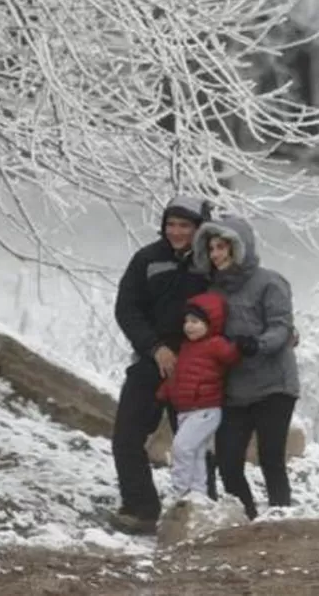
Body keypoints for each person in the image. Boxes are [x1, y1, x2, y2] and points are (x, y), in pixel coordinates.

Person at [109, 195, 213, 535]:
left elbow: (231, 306)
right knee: (126, 435)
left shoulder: (211, 261)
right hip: (151, 361)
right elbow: (127, 309)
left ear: (200, 227)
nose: (177, 232)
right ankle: (141, 508)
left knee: (194, 442)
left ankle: (199, 510)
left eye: (185, 225)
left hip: (197, 367)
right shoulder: (147, 259)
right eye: (171, 224)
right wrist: (155, 348)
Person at [193, 216, 300, 520]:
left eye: (222, 247)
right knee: (227, 461)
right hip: (235, 389)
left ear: (239, 248)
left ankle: (281, 519)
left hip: (274, 384)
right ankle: (249, 521)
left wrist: (258, 343)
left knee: (271, 458)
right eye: (211, 248)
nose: (216, 254)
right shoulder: (212, 290)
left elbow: (281, 326)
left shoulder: (270, 282)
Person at [156, 292, 239, 504]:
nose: (189, 326)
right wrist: (165, 392)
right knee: (197, 454)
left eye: (195, 321)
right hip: (186, 410)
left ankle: (180, 491)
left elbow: (231, 355)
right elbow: (179, 375)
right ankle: (198, 496)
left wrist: (240, 346)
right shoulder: (186, 347)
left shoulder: (215, 344)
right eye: (186, 321)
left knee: (182, 447)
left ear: (210, 323)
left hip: (205, 409)